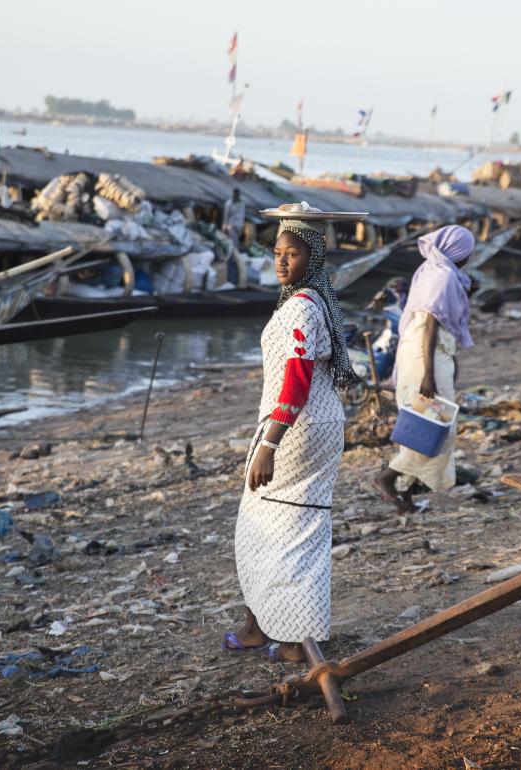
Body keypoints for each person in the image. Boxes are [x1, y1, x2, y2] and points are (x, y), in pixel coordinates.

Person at [224, 204, 362, 663]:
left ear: (313, 258)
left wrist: (268, 445)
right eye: (278, 253)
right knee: (296, 526)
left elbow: (297, 383)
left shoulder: (302, 308)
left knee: (268, 526)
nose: (282, 262)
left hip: (296, 429)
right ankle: (276, 631)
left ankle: (282, 637)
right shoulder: (311, 300)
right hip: (314, 425)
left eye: (294, 254)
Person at [374, 225, 477, 513]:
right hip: (425, 356)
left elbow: (442, 316)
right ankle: (388, 478)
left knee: (417, 425)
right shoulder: (443, 276)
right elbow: (431, 325)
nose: (468, 259)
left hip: (419, 353)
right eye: (467, 253)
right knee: (437, 426)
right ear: (457, 251)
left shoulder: (434, 271)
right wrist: (429, 374)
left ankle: (405, 499)